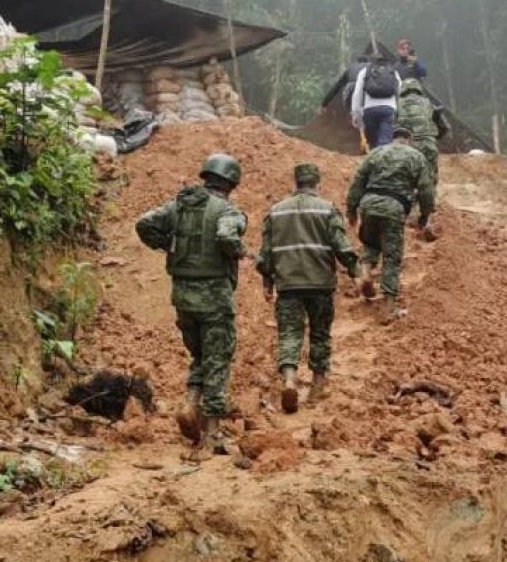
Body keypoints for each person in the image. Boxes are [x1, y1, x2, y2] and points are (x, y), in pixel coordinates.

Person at [135, 154, 248, 460]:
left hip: (182, 294)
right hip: (214, 296)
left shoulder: (178, 206)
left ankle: (190, 403)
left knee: (200, 354)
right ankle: (212, 435)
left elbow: (144, 223)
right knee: (218, 359)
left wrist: (167, 245)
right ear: (231, 182)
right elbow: (227, 235)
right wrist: (239, 249)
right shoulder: (227, 210)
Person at [255, 163, 359, 413]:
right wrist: (357, 272)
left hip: (288, 285)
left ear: (296, 183)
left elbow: (266, 254)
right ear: (317, 183)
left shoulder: (276, 211)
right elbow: (341, 246)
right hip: (320, 284)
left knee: (289, 334)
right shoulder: (326, 209)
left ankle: (290, 378)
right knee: (320, 333)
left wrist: (267, 282)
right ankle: (317, 385)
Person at [345, 126, 435, 323]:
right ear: (408, 139)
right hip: (394, 207)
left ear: (393, 138)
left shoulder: (376, 153)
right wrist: (424, 216)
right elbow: (426, 190)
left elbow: (358, 182)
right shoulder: (416, 157)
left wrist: (351, 210)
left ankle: (366, 274)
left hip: (369, 204)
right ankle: (388, 307)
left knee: (370, 244)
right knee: (392, 257)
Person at [395, 78, 449, 188]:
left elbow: (392, 128)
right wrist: (434, 139)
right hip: (427, 144)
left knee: (404, 176)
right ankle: (428, 201)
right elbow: (445, 127)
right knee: (430, 176)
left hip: (407, 145)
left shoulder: (398, 105)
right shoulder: (428, 103)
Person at [350, 55, 402, 150]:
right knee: (384, 142)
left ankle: (373, 158)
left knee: (373, 141)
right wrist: (401, 113)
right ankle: (381, 159)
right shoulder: (393, 72)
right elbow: (401, 93)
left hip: (369, 111)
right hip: (389, 109)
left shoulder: (365, 71)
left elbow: (357, 93)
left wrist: (355, 113)